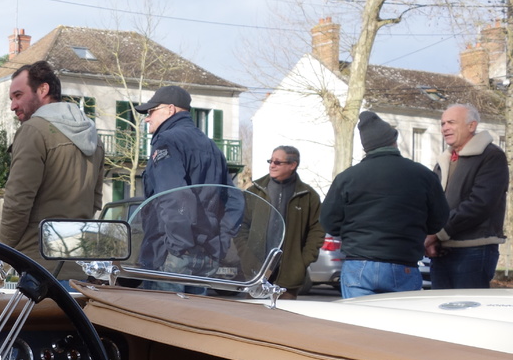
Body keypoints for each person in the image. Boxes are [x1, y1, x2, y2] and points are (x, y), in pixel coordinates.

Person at [0, 60, 105, 282]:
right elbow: (95, 201)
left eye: (18, 95)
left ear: (43, 89)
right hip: (79, 269)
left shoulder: (34, 131)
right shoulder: (93, 137)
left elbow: (17, 203)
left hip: (37, 268)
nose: (13, 106)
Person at [320, 111, 448, 298]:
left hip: (359, 263)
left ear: (366, 146)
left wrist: (353, 232)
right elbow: (439, 220)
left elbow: (329, 222)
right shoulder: (424, 176)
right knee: (397, 317)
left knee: (358, 317)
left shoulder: (347, 178)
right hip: (403, 262)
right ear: (394, 140)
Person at [135, 85, 241, 293]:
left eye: (151, 111)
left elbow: (174, 196)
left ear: (170, 109)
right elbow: (234, 200)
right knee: (192, 313)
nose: (147, 118)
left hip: (172, 254)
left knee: (161, 313)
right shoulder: (211, 146)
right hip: (206, 255)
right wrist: (218, 244)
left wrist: (179, 246)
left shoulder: (167, 141)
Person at [424, 103, 508, 289]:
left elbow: (480, 204)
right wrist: (429, 235)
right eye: (443, 123)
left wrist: (437, 233)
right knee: (440, 307)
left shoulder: (491, 156)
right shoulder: (444, 160)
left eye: (451, 122)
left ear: (472, 126)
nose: (445, 128)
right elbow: (432, 203)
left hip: (474, 249)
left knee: (467, 306)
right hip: (441, 250)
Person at [242, 147, 323, 299]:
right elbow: (240, 227)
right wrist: (247, 256)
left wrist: (301, 262)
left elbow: (317, 231)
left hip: (289, 275)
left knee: (283, 314)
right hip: (256, 273)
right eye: (270, 161)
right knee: (252, 313)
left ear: (293, 165)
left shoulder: (308, 196)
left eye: (277, 162)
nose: (272, 165)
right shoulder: (254, 192)